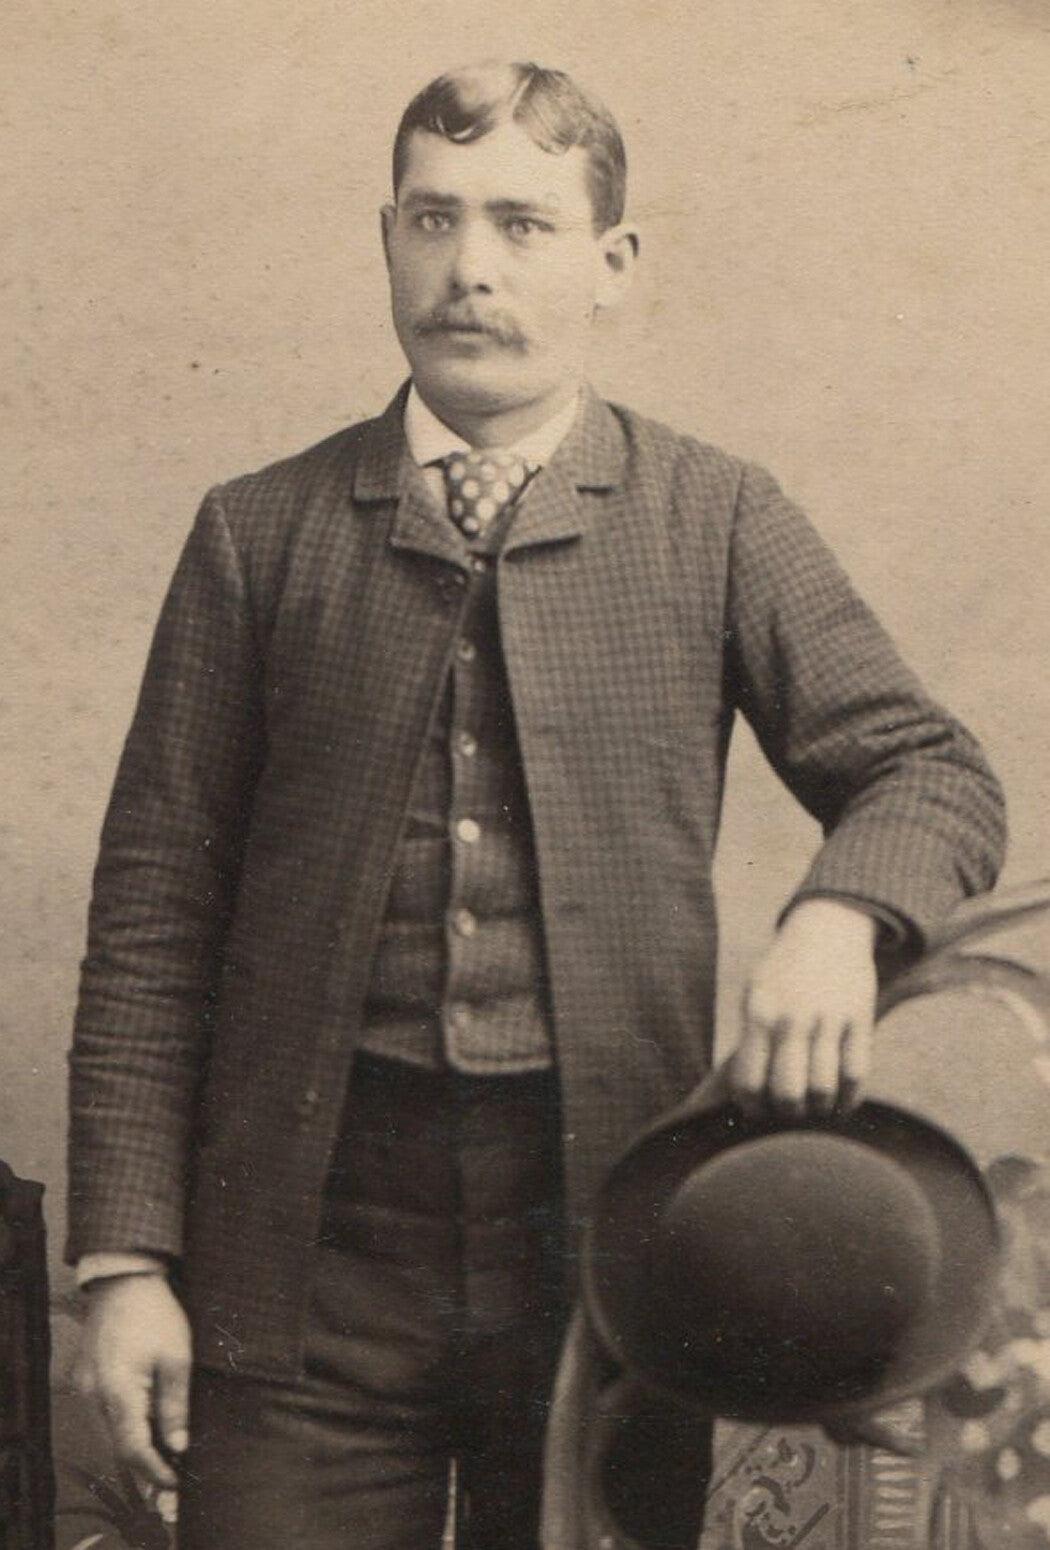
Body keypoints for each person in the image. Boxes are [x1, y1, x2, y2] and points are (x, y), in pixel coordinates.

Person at [67, 59, 1006, 1550]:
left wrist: (840, 915)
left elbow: (929, 768)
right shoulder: (258, 534)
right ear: (387, 241)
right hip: (300, 1258)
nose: (472, 269)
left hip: (606, 1249)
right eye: (433, 221)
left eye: (522, 223)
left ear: (611, 263)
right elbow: (151, 916)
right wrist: (123, 1261)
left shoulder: (716, 517)